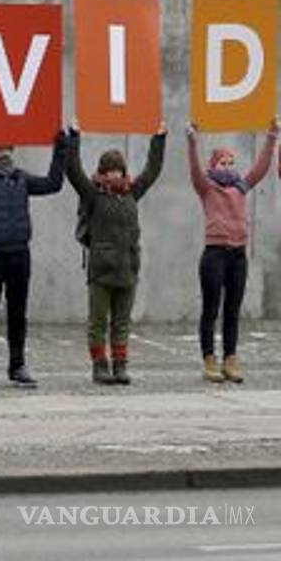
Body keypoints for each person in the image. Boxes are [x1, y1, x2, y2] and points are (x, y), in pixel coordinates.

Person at [0, 130, 67, 390]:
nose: (4, 152)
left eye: (7, 147)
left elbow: (53, 184)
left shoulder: (21, 178)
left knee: (18, 314)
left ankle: (17, 366)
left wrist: (61, 149)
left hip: (19, 252)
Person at [66, 121, 166, 385]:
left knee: (122, 322)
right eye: (109, 171)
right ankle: (100, 366)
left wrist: (159, 139)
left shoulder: (132, 192)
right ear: (101, 172)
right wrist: (74, 136)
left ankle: (120, 365)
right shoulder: (92, 194)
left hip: (128, 269)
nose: (113, 175)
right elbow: (73, 170)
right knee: (98, 322)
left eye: (118, 170)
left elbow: (152, 170)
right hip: (101, 271)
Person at [188, 117, 278, 384]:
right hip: (214, 254)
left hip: (238, 255)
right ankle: (209, 359)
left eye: (231, 163)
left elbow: (261, 168)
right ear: (213, 166)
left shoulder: (241, 185)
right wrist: (193, 141)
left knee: (233, 309)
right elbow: (194, 168)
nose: (227, 167)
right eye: (222, 163)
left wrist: (272, 135)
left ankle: (231, 358)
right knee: (211, 308)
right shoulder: (207, 186)